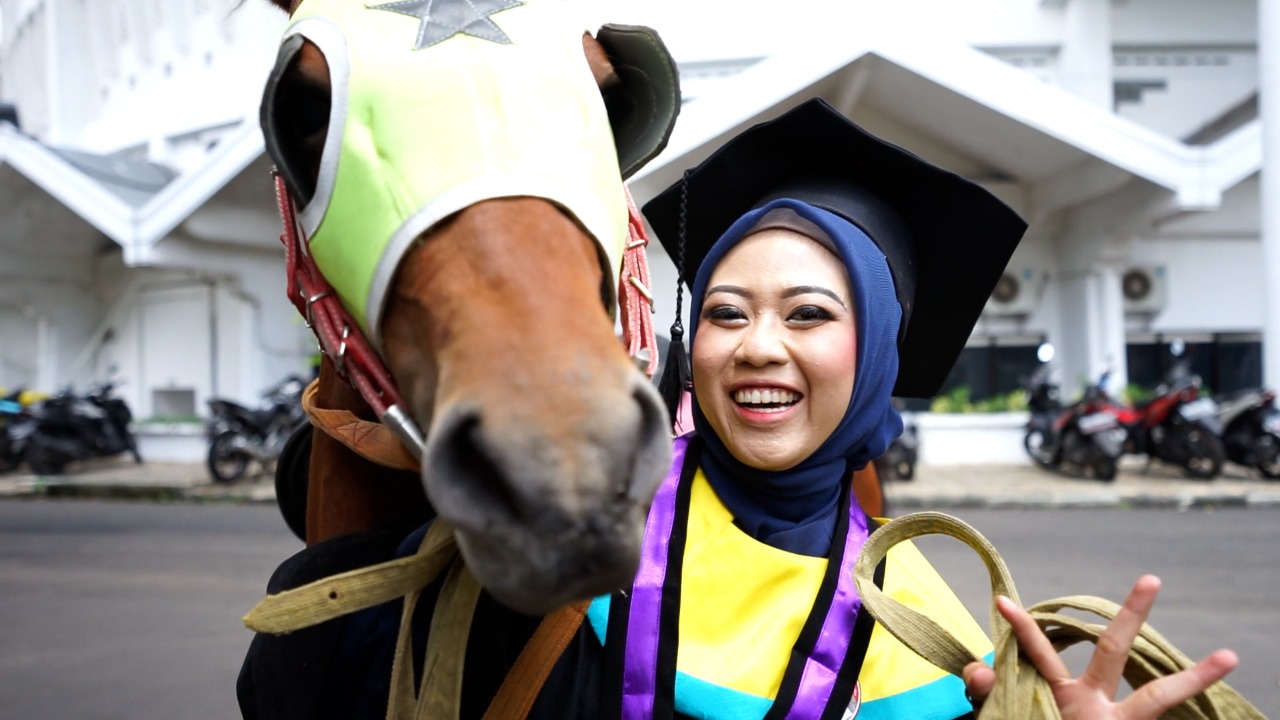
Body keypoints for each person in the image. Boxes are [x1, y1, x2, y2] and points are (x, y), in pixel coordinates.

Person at [238, 98, 1240, 719]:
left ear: (878, 354)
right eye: (725, 311)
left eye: (808, 313)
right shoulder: (566, 528)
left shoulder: (935, 658)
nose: (759, 345)